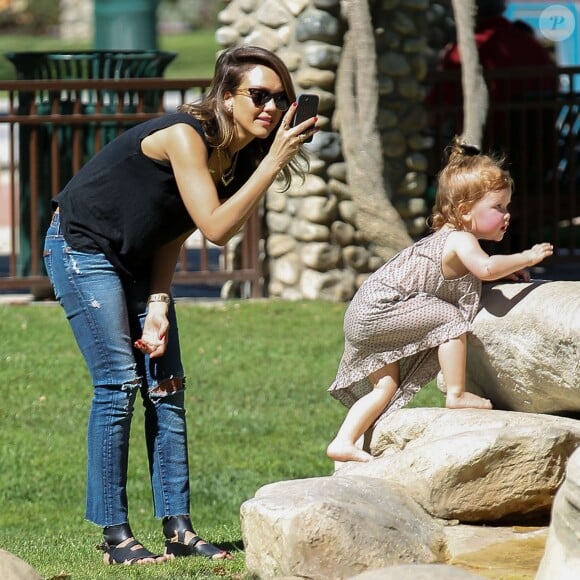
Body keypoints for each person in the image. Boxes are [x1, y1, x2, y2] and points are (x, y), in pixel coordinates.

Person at [43, 45, 317, 565]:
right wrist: (276, 159)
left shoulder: (236, 158)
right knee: (119, 383)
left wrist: (160, 300)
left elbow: (176, 226)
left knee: (167, 387)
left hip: (140, 261)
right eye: (259, 95)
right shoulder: (185, 136)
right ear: (226, 96)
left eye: (281, 99)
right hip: (82, 248)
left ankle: (179, 529)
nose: (272, 109)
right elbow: (216, 228)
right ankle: (115, 536)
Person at [326, 138, 553, 463]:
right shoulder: (460, 239)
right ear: (464, 211)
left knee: (385, 388)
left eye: (507, 206)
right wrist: (525, 258)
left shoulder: (448, 239)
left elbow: (474, 275)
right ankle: (457, 394)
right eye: (498, 207)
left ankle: (344, 441)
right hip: (382, 310)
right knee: (449, 319)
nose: (507, 215)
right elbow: (486, 268)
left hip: (364, 312)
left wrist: (506, 273)